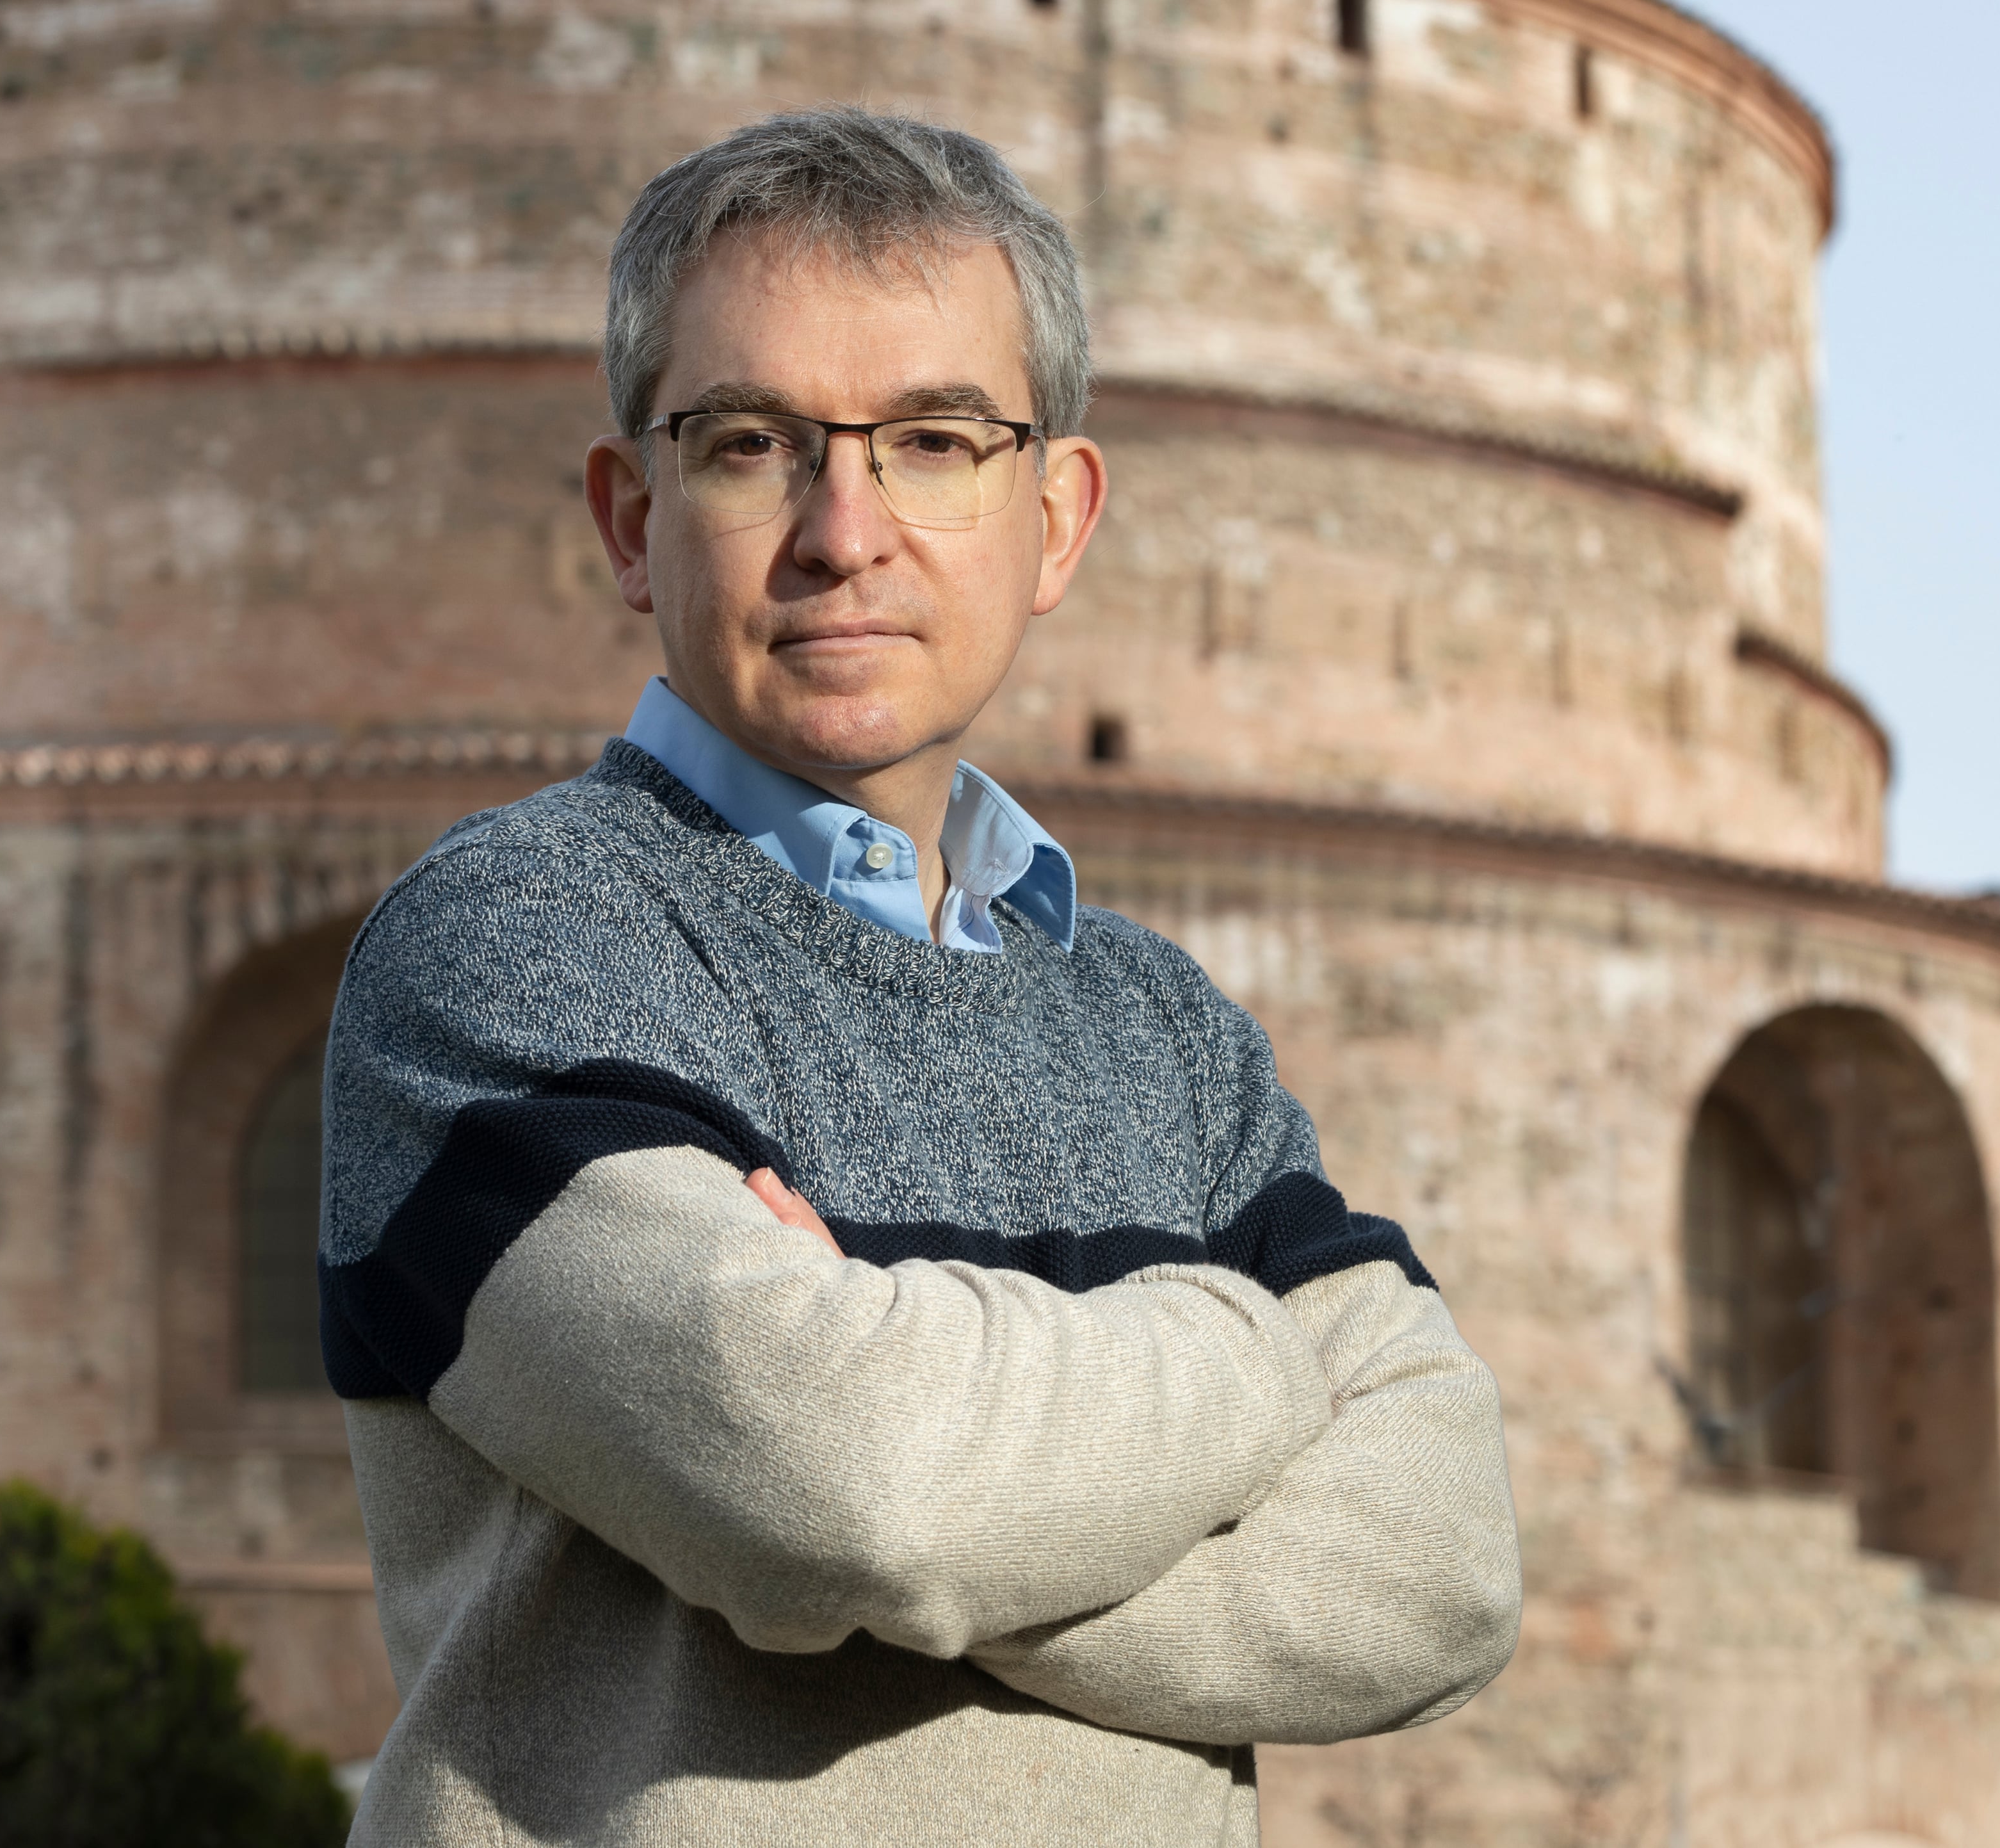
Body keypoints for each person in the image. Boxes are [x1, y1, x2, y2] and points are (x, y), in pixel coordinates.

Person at [319, 107, 1519, 1845]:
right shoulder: (512, 946)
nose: (844, 529)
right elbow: (843, 1490)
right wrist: (1242, 1347)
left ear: (1055, 519)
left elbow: (1441, 1562)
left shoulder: (1167, 1036)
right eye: (747, 444)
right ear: (630, 517)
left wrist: (931, 1451)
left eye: (939, 441)